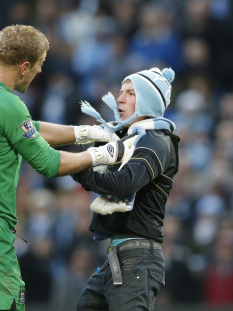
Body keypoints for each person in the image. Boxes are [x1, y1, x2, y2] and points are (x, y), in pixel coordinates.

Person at [0, 24, 134, 311]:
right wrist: (105, 153)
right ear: (24, 66)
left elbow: (25, 129)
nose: (40, 72)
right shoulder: (9, 104)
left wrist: (86, 133)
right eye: (39, 64)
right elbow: (48, 163)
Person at [72, 67, 180, 311]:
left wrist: (81, 172)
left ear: (149, 101)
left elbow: (125, 183)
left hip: (138, 257)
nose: (120, 98)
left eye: (130, 93)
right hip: (118, 255)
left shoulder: (157, 139)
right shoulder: (127, 138)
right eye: (121, 91)